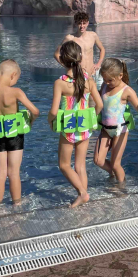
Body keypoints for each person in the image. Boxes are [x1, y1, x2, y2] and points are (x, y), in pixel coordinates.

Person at [0, 60, 40, 206]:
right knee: (13, 172)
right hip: (15, 134)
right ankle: (17, 203)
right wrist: (29, 122)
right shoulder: (16, 92)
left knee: (0, 172)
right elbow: (35, 111)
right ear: (13, 75)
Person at [49, 41, 103, 208]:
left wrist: (50, 121)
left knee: (64, 164)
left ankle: (82, 193)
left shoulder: (60, 83)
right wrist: (91, 118)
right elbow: (99, 105)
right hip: (85, 127)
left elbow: (54, 111)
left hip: (69, 128)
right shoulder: (89, 81)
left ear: (63, 62)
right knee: (80, 165)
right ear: (80, 59)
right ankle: (83, 198)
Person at [93, 58, 138, 184]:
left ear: (120, 76)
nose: (106, 82)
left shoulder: (126, 91)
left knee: (116, 164)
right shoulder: (105, 86)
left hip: (120, 130)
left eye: (110, 80)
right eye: (104, 79)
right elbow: (98, 101)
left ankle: (121, 187)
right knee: (98, 160)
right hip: (105, 129)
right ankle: (112, 175)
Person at [55, 12, 106, 91]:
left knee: (93, 101)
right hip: (77, 75)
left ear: (88, 23)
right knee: (79, 100)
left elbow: (102, 49)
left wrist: (99, 63)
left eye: (84, 23)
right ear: (75, 23)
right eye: (79, 23)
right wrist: (67, 66)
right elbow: (56, 54)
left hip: (91, 74)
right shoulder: (70, 38)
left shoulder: (93, 35)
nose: (82, 26)